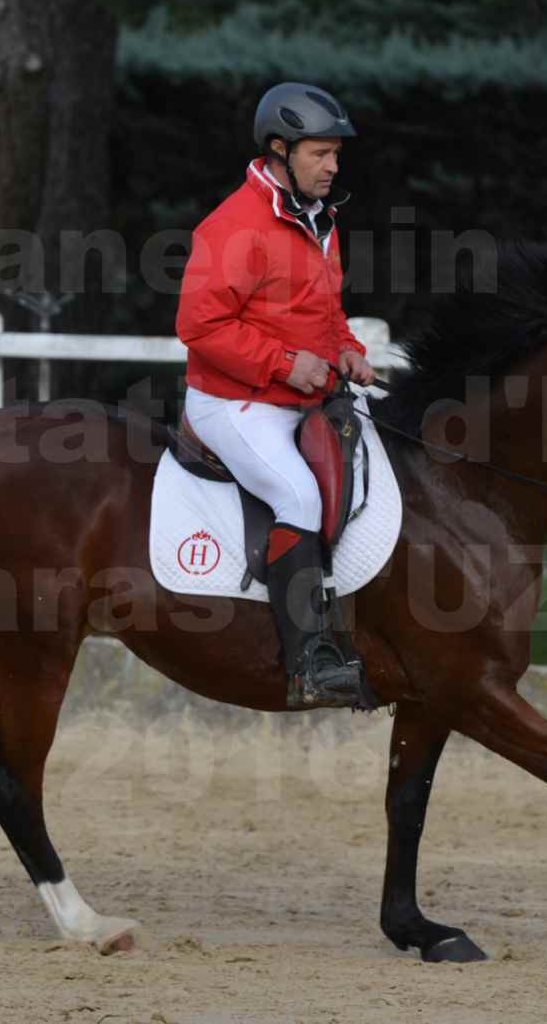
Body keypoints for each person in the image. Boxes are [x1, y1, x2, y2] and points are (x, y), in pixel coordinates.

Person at [175, 82, 377, 709]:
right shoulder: (234, 225)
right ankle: (308, 662)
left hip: (296, 398)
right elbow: (199, 327)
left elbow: (325, 311)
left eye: (336, 154)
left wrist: (347, 350)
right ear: (280, 150)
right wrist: (289, 364)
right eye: (321, 154)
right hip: (233, 404)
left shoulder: (319, 219)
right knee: (296, 492)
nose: (333, 165)